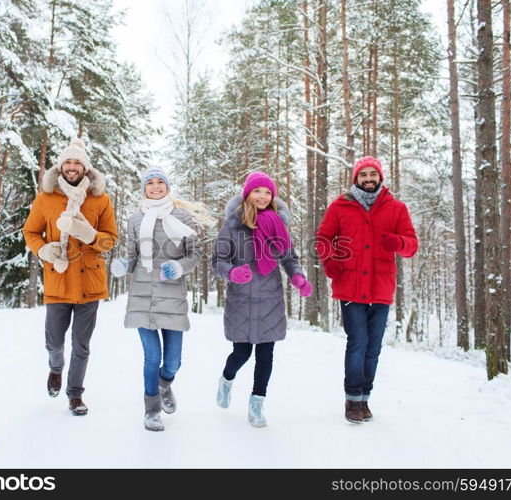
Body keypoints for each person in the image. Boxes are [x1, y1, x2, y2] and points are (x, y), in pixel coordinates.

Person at [316, 156, 418, 423]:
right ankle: (352, 399)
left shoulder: (396, 208)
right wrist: (331, 263)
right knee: (357, 342)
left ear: (380, 177)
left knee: (373, 347)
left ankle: (365, 398)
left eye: (373, 174)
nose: (369, 178)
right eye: (364, 175)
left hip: (381, 287)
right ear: (356, 179)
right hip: (349, 285)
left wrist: (397, 241)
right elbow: (323, 238)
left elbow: (411, 245)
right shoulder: (340, 206)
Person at [110, 166, 211, 431]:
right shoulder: (134, 219)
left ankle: (165, 384)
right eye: (150, 183)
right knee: (152, 356)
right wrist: (123, 265)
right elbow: (132, 256)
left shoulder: (182, 217)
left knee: (173, 361)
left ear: (167, 187)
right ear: (144, 189)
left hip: (172, 295)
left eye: (160, 182)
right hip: (142, 297)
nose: (155, 187)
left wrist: (179, 267)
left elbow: (194, 255)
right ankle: (151, 410)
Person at [23, 138, 117, 416]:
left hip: (90, 283)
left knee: (81, 344)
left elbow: (111, 240)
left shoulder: (100, 199)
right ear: (60, 166)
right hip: (58, 279)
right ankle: (55, 368)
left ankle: (75, 395)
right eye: (68, 161)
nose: (72, 166)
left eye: (77, 162)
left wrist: (90, 236)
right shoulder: (46, 198)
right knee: (54, 341)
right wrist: (44, 250)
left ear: (85, 168)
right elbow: (30, 232)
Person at [212, 171, 312, 428]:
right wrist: (232, 272)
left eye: (268, 192)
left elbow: (289, 258)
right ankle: (226, 379)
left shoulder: (279, 225)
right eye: (258, 191)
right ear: (247, 194)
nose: (263, 196)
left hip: (270, 300)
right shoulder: (232, 226)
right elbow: (218, 261)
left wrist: (298, 278)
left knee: (266, 356)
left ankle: (256, 404)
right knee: (241, 353)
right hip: (241, 301)